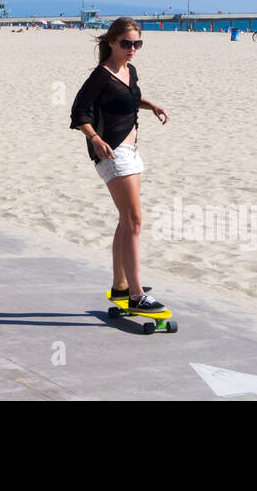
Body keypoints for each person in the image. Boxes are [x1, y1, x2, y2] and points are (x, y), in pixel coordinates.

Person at [70, 17, 170, 313]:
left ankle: (121, 285)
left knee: (126, 220)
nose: (132, 49)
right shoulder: (101, 75)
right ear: (111, 42)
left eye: (137, 43)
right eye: (126, 43)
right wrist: (95, 139)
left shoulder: (130, 70)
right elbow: (79, 113)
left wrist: (150, 105)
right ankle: (137, 294)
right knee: (135, 221)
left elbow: (127, 99)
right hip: (112, 153)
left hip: (131, 150)